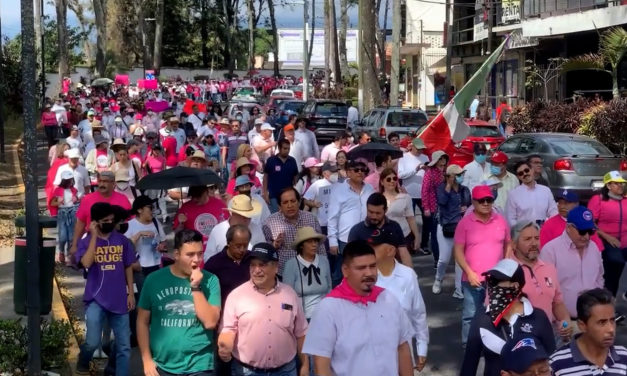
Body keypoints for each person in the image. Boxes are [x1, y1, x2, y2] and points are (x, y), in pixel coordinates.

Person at [302, 240, 414, 376]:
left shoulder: (388, 299)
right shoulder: (328, 308)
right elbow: (322, 365)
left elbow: (402, 347)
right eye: (361, 268)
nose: (369, 273)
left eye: (373, 266)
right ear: (345, 270)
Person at [137, 229, 221, 376]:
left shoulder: (211, 280)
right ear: (176, 255)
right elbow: (142, 321)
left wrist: (196, 287)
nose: (196, 260)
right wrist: (146, 359)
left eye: (200, 253)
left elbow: (210, 322)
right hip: (162, 365)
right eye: (190, 254)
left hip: (199, 364)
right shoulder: (153, 279)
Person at [217, 242, 309, 376]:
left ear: (276, 267)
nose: (256, 270)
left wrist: (305, 366)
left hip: (285, 371)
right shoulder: (236, 296)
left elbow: (301, 333)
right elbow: (228, 329)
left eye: (262, 265)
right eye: (252, 265)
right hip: (247, 371)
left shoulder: (290, 294)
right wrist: (225, 345)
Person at [460, 259, 556, 376]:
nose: (492, 285)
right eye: (490, 280)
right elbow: (469, 365)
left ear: (515, 286)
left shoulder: (538, 317)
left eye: (497, 281)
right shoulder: (482, 318)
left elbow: (551, 360)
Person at [75, 202, 135, 376]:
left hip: (119, 299)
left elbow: (128, 266)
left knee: (124, 345)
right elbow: (86, 263)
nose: (110, 222)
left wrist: (130, 293)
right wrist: (94, 236)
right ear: (95, 222)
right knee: (92, 342)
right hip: (96, 299)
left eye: (111, 219)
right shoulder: (86, 242)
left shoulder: (121, 240)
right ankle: (84, 360)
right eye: (105, 220)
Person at [454, 185, 511, 345]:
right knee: (470, 316)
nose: (486, 203)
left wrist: (505, 269)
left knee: (497, 315)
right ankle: (469, 348)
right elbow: (458, 251)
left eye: (489, 200)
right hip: (473, 279)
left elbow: (508, 244)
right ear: (473, 202)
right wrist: (469, 272)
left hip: (496, 280)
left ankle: (493, 349)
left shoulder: (501, 220)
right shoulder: (464, 223)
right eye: (482, 201)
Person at [370, 226, 429, 370]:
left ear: (391, 250)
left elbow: (418, 313)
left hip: (402, 351)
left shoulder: (407, 276)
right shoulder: (365, 277)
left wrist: (422, 347)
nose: (370, 250)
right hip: (372, 353)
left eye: (375, 247)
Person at [540, 206, 604, 321]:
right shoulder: (550, 251)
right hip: (564, 322)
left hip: (592, 320)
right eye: (582, 231)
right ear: (569, 227)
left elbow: (599, 277)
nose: (587, 236)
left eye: (590, 232)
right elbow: (546, 287)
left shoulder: (594, 248)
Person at [549, 288, 627, 374]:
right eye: (602, 322)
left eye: (612, 321)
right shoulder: (556, 364)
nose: (611, 329)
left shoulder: (624, 357)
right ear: (582, 325)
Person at [327, 160, 376, 285]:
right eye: (356, 170)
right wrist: (332, 241)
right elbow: (332, 217)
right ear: (348, 172)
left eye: (363, 170)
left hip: (367, 237)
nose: (360, 172)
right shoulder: (338, 190)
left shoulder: (370, 188)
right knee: (341, 273)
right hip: (345, 239)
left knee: (364, 270)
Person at [262, 187, 326, 275]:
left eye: (293, 201)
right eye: (285, 202)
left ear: (299, 202)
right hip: (283, 273)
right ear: (279, 206)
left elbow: (320, 246)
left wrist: (324, 267)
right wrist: (274, 245)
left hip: (310, 271)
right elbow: (266, 250)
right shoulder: (270, 222)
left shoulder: (310, 218)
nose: (290, 205)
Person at [70, 171, 132, 258]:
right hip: (93, 242)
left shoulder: (123, 199)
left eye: (105, 181)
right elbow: (80, 223)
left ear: (113, 184)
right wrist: (75, 244)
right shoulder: (87, 199)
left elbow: (130, 223)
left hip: (116, 245)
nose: (102, 184)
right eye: (100, 181)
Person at [588, 171, 627, 299]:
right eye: (616, 184)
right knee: (616, 263)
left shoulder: (625, 200)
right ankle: (609, 298)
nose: (620, 186)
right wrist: (607, 236)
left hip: (625, 240)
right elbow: (590, 223)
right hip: (607, 240)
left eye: (622, 184)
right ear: (608, 186)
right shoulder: (598, 200)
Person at [433, 164, 471, 297]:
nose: (461, 177)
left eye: (461, 174)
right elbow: (442, 202)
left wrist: (465, 208)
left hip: (461, 227)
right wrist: (448, 186)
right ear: (449, 177)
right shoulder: (441, 188)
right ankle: (438, 278)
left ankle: (458, 289)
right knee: (444, 259)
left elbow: (469, 204)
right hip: (445, 226)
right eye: (458, 175)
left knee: (460, 259)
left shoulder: (465, 190)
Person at [283, 227, 332, 320]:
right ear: (301, 245)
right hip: (302, 318)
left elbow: (329, 288)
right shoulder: (291, 264)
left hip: (325, 314)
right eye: (310, 242)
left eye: (316, 241)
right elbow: (286, 295)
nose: (314, 245)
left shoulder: (324, 261)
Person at [203, 194, 265, 261]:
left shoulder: (256, 229)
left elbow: (263, 253)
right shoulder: (217, 231)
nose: (247, 219)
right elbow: (208, 258)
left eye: (249, 216)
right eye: (243, 216)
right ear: (233, 213)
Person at [204, 224, 252, 306]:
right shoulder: (214, 263)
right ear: (228, 243)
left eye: (245, 245)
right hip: (224, 312)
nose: (242, 249)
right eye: (238, 246)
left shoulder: (253, 259)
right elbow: (205, 290)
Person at [539, 190, 604, 250]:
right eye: (559, 203)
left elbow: (597, 248)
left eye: (566, 203)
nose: (561, 206)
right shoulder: (549, 225)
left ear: (577, 204)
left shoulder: (585, 222)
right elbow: (544, 250)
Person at [397, 139, 430, 249]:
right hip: (409, 194)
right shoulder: (404, 157)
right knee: (409, 221)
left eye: (422, 148)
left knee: (427, 220)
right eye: (418, 148)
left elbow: (429, 174)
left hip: (423, 194)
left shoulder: (425, 158)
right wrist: (415, 169)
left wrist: (427, 170)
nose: (420, 150)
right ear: (412, 147)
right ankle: (410, 244)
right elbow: (400, 175)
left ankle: (424, 244)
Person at [379, 168, 421, 253]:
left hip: (404, 236)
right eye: (388, 179)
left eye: (394, 179)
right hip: (384, 238)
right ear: (382, 182)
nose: (392, 181)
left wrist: (417, 237)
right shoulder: (378, 198)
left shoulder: (405, 197)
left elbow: (411, 219)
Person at [124, 195, 167, 278]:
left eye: (154, 207)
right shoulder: (129, 225)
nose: (153, 210)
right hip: (140, 267)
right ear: (139, 210)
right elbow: (125, 247)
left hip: (157, 264)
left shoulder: (155, 222)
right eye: (150, 208)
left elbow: (163, 240)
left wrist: (162, 246)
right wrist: (139, 234)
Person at [505, 161, 558, 227]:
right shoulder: (513, 194)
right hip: (523, 235)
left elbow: (553, 211)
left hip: (544, 232)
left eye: (526, 170)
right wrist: (519, 233)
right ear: (518, 177)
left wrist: (550, 227)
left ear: (532, 170)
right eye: (521, 173)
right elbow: (510, 219)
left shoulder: (545, 190)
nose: (525, 174)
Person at [421, 150, 449, 263]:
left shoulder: (445, 173)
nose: (443, 161)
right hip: (433, 208)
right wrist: (426, 207)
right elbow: (424, 191)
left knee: (444, 234)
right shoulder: (429, 173)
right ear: (436, 161)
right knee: (435, 234)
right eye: (440, 159)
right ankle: (437, 260)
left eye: (444, 159)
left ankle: (443, 257)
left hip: (444, 207)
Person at [50, 170, 80, 265]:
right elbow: (52, 203)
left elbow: (77, 201)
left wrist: (76, 199)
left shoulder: (74, 190)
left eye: (71, 180)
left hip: (72, 211)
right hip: (62, 213)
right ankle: (61, 251)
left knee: (71, 236)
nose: (70, 182)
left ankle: (69, 255)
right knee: (63, 236)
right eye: (68, 180)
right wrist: (59, 202)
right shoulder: (58, 190)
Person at [263, 139, 299, 213]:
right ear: (279, 148)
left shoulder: (292, 161)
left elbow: (296, 177)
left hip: (288, 196)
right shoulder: (271, 160)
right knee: (276, 217)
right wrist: (265, 193)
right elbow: (265, 177)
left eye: (288, 148)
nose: (287, 150)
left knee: (287, 216)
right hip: (274, 195)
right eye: (285, 148)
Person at [302, 162, 337, 234]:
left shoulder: (340, 184)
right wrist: (314, 204)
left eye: (336, 171)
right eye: (332, 172)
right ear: (324, 173)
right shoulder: (318, 184)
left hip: (336, 222)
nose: (335, 174)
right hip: (321, 222)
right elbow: (305, 200)